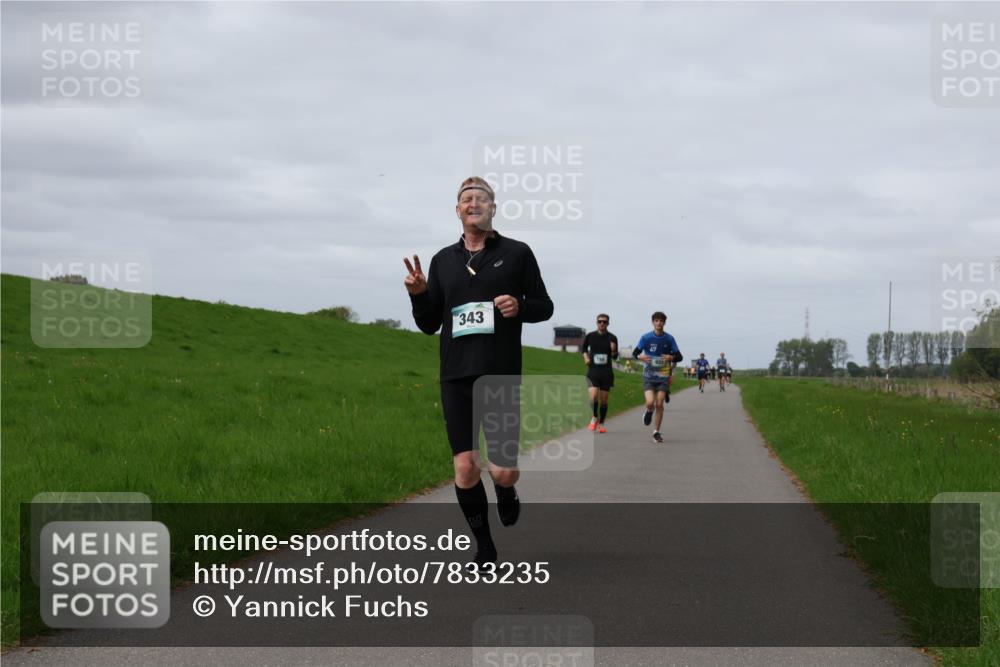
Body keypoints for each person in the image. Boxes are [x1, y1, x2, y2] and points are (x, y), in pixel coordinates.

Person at [404, 176, 554, 567]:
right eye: (467, 199)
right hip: (455, 376)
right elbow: (428, 324)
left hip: (500, 375)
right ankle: (485, 548)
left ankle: (506, 492)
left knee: (503, 472)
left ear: (493, 208)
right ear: (457, 210)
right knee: (466, 467)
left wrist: (520, 305)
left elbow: (545, 306)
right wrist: (419, 294)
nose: (474, 204)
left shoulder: (517, 253)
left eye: (482, 199)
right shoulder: (442, 261)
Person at [632, 312, 683, 444]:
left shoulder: (669, 339)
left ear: (664, 323)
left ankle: (656, 432)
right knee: (650, 402)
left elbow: (679, 356)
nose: (659, 323)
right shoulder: (646, 338)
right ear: (652, 322)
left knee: (659, 403)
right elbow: (635, 353)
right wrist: (640, 357)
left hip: (663, 377)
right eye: (656, 321)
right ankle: (649, 411)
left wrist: (672, 357)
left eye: (661, 321)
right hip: (649, 376)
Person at [581, 314, 618, 433]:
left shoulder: (612, 337)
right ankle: (594, 417)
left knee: (604, 399)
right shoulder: (590, 336)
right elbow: (584, 349)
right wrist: (586, 358)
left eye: (604, 322)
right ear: (596, 323)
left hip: (606, 372)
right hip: (593, 370)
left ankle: (601, 423)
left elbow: (615, 356)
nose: (602, 323)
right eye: (600, 321)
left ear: (608, 323)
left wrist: (613, 351)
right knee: (593, 396)